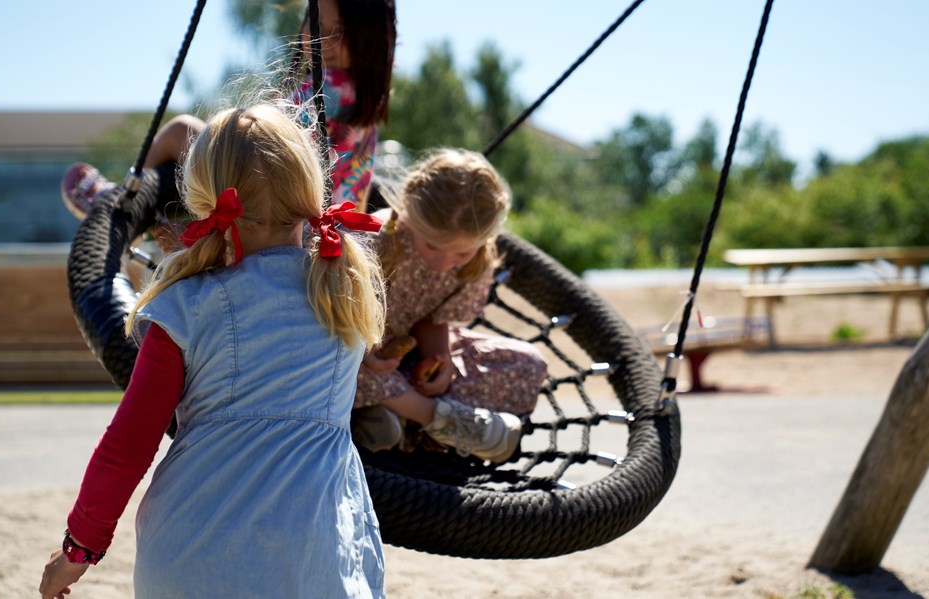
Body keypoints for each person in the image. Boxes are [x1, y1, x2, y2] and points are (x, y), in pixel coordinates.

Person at [39, 103, 388, 598]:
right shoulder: (345, 296)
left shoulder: (187, 304)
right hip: (313, 563)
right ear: (312, 188)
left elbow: (128, 444)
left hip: (190, 559)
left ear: (204, 200)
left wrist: (79, 549)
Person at [60, 0, 396, 220]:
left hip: (276, 208)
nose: (323, 40)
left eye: (340, 33)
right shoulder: (368, 101)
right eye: (316, 24)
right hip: (325, 225)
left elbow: (265, 132)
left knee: (180, 131)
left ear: (370, 41)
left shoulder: (329, 88)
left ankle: (117, 203)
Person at [351, 148, 548, 464]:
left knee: (528, 365)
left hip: (402, 362)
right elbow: (334, 315)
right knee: (339, 364)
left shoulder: (477, 265)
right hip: (355, 346)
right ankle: (433, 420)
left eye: (461, 254)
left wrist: (437, 362)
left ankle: (391, 417)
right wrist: (366, 352)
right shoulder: (372, 239)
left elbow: (433, 320)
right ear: (408, 213)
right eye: (431, 246)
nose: (443, 262)